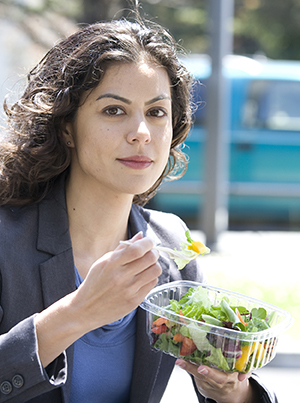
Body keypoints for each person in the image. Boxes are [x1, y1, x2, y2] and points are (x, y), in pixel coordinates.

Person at [0, 13, 278, 403]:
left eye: (156, 112)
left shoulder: (172, 246)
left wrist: (233, 391)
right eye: (114, 110)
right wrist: (77, 313)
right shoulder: (6, 241)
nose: (141, 133)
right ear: (66, 127)